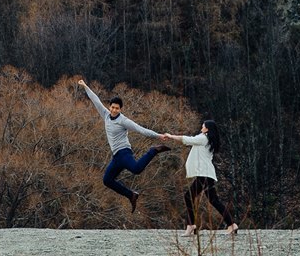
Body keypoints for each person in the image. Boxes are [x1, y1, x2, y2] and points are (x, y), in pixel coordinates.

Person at [78, 78, 172, 212]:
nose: (114, 110)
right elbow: (95, 100)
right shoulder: (105, 115)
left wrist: (158, 135)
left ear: (121, 109)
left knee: (137, 169)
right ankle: (131, 195)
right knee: (107, 180)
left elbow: (140, 129)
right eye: (112, 107)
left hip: (124, 152)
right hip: (116, 157)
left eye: (117, 108)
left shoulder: (124, 121)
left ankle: (153, 151)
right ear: (109, 107)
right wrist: (85, 86)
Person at [163, 120, 238, 236]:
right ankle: (231, 224)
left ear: (207, 129)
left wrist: (170, 136)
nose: (201, 127)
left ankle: (191, 225)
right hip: (206, 174)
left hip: (204, 174)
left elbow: (187, 140)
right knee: (213, 200)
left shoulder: (204, 138)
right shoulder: (207, 139)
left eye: (203, 126)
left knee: (189, 196)